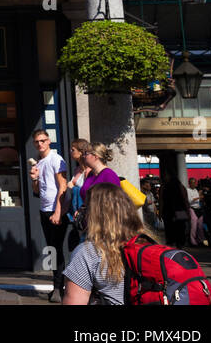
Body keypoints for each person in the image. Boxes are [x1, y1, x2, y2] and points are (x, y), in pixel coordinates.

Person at [62, 183, 151, 305]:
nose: (79, 213)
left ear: (94, 215)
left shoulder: (87, 253)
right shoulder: (147, 245)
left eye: (85, 207)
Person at [29, 129, 68, 301]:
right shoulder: (39, 162)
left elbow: (63, 186)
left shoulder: (56, 159)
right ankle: (55, 286)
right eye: (37, 142)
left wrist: (58, 211)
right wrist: (34, 179)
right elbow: (37, 192)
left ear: (49, 141)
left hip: (56, 210)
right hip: (44, 210)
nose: (40, 144)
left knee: (57, 249)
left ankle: (60, 288)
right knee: (51, 250)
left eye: (43, 140)